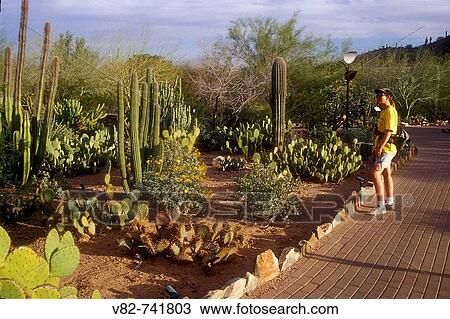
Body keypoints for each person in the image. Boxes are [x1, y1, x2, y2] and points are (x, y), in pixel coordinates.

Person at [371, 88, 398, 215]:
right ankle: (389, 202)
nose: (378, 97)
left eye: (381, 95)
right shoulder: (383, 111)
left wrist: (381, 147)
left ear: (388, 97)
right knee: (386, 174)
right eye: (377, 95)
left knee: (376, 174)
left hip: (387, 149)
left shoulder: (390, 111)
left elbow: (389, 131)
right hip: (384, 147)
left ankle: (380, 206)